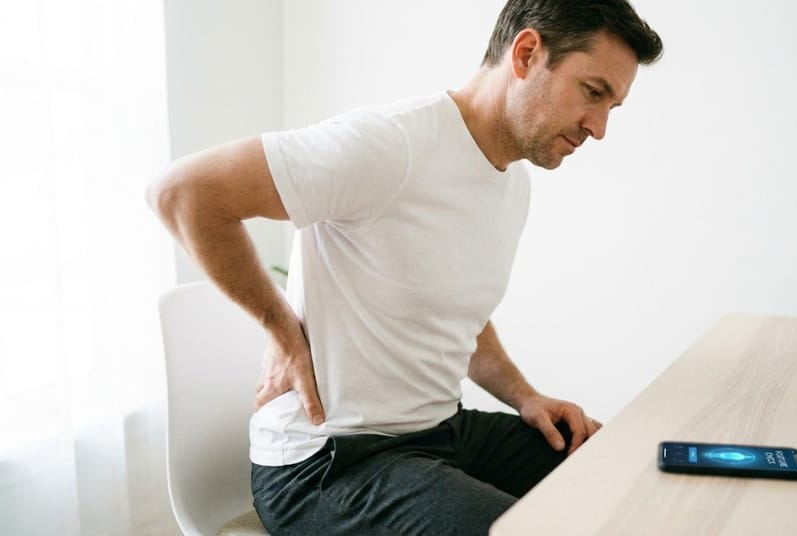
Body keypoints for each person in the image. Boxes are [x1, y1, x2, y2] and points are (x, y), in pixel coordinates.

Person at [147, 0, 661, 534]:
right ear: (527, 53)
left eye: (612, 107)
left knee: (618, 474)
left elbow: (459, 315)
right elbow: (183, 194)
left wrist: (525, 396)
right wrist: (281, 327)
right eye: (593, 92)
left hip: (440, 432)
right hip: (329, 461)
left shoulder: (512, 185)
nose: (598, 128)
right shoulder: (391, 144)